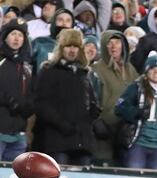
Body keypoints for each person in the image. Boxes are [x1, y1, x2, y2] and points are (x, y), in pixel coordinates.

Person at [33, 28, 101, 165]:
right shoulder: (49, 71)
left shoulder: (84, 74)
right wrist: (63, 125)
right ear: (61, 48)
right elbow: (40, 104)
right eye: (69, 46)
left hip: (82, 142)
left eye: (76, 46)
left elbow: (92, 102)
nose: (72, 50)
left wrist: (94, 112)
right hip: (57, 141)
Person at [115, 51, 157, 169]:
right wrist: (136, 112)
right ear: (146, 72)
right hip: (138, 143)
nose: (156, 71)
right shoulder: (136, 87)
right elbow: (119, 108)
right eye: (152, 68)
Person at [90, 30, 138, 166]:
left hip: (126, 134)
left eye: (117, 42)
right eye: (109, 43)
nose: (113, 46)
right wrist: (97, 122)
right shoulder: (95, 69)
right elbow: (89, 100)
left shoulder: (131, 70)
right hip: (103, 134)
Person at [0, 18, 34, 161]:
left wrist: (28, 108)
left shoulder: (27, 67)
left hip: (19, 134)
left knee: (14, 177)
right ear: (5, 36)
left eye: (21, 35)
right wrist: (10, 101)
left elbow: (32, 95)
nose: (17, 38)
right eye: (13, 34)